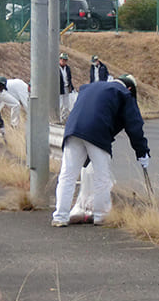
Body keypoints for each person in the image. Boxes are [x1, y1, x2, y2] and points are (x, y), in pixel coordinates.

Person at [51, 73, 150, 227]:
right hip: (97, 133)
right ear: (130, 88)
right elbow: (134, 126)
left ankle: (60, 217)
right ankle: (101, 216)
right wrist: (142, 152)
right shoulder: (124, 93)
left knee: (67, 175)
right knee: (101, 176)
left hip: (72, 129)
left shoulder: (90, 87)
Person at [58, 52, 75, 122]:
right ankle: (58, 118)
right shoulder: (56, 68)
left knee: (66, 105)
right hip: (59, 88)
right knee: (60, 104)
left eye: (65, 60)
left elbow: (69, 78)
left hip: (66, 87)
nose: (64, 61)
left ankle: (64, 118)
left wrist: (71, 87)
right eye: (62, 60)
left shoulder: (67, 68)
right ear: (60, 59)